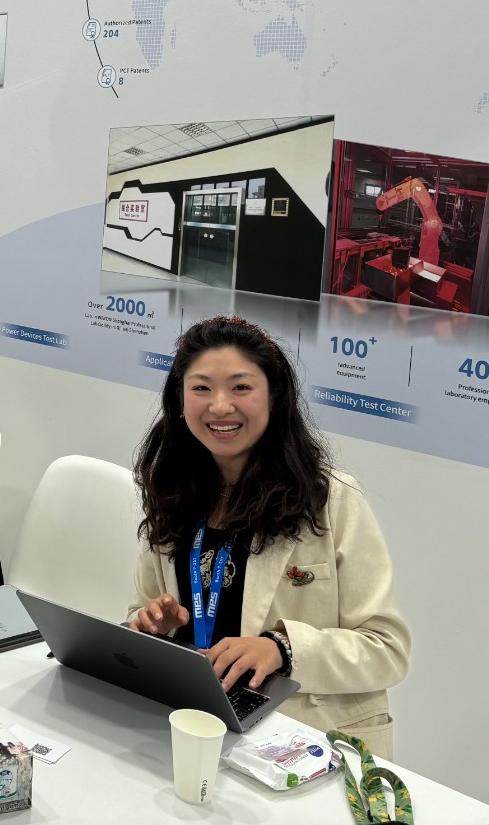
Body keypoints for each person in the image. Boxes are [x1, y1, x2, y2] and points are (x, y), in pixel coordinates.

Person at [127, 315, 409, 756]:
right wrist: (151, 628)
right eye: (201, 388)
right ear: (179, 399)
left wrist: (282, 649)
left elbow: (387, 650)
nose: (220, 406)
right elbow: (140, 610)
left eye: (241, 387)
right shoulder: (173, 491)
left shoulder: (330, 499)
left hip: (304, 739)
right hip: (195, 725)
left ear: (274, 397)